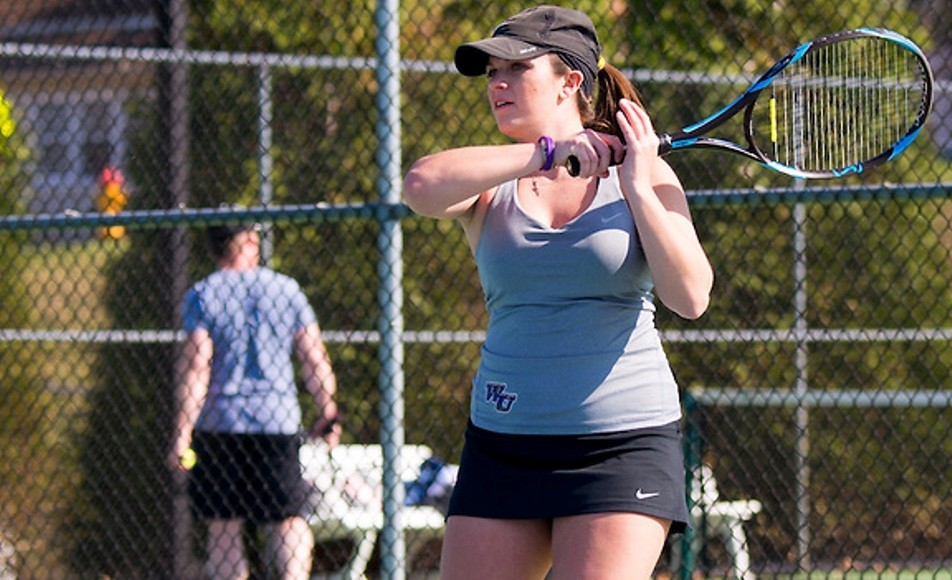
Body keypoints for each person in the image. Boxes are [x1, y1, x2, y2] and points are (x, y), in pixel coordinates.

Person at [401, 5, 714, 579]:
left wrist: (638, 188)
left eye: (516, 69)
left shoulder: (645, 176)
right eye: (491, 71)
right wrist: (547, 153)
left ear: (571, 81)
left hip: (622, 446)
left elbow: (691, 296)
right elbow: (419, 186)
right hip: (503, 444)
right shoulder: (493, 182)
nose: (497, 82)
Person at [170, 223, 341, 580]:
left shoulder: (202, 294)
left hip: (220, 425)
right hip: (275, 423)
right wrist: (327, 409)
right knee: (288, 519)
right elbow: (313, 356)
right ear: (247, 240)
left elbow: (198, 364)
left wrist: (183, 432)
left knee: (224, 526)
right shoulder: (286, 289)